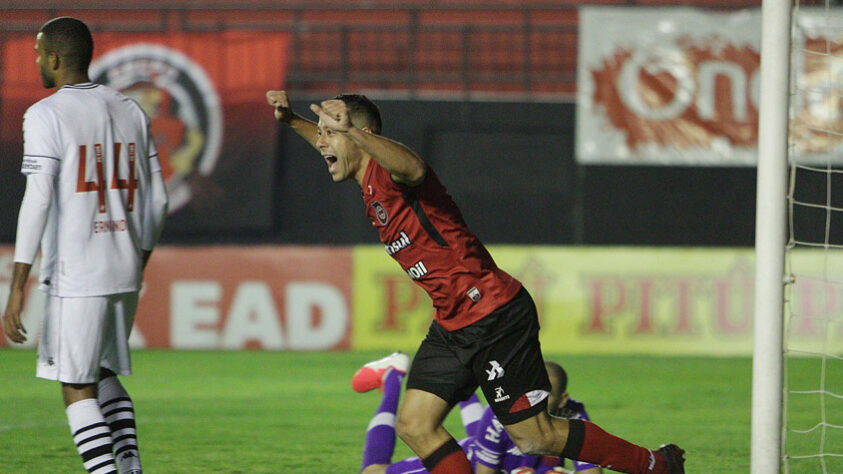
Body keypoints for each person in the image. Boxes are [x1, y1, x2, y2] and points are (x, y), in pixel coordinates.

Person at [266, 90, 685, 474]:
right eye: (320, 134)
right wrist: (292, 121)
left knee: (533, 437)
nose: (321, 142)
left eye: (330, 134)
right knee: (415, 423)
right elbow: (333, 144)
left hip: (494, 314)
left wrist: (349, 132)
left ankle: (656, 466)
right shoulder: (367, 182)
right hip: (452, 323)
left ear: (362, 135)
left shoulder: (392, 173)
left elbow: (413, 166)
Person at [2, 17, 168, 474]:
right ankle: (130, 466)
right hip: (123, 270)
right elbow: (160, 199)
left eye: (39, 53)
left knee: (75, 386)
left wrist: (17, 285)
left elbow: (37, 200)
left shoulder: (46, 114)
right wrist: (140, 258)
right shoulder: (130, 109)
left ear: (55, 58)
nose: (37, 60)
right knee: (102, 371)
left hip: (77, 274)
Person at [353, 352, 602, 474]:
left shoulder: (574, 414)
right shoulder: (503, 412)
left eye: (545, 395)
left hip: (496, 449)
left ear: (563, 400)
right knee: (373, 472)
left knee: (488, 432)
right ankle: (393, 374)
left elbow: (591, 471)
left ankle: (468, 368)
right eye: (530, 391)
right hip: (471, 463)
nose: (533, 401)